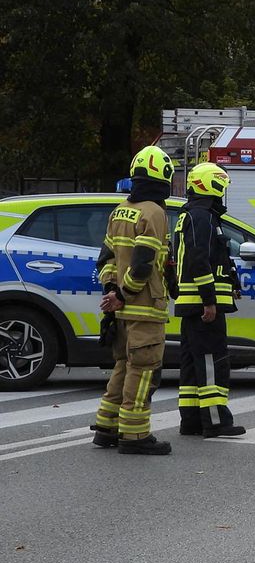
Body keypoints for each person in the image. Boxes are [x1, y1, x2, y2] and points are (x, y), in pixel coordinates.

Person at [90, 145, 174, 455]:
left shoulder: (120, 210)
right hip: (143, 308)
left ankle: (107, 427)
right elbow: (143, 263)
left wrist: (112, 293)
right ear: (162, 176)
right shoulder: (154, 212)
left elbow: (107, 259)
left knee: (123, 366)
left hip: (123, 310)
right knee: (144, 371)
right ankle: (135, 436)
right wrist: (124, 294)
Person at [173, 162, 246, 438]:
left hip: (191, 301)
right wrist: (209, 300)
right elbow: (198, 258)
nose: (222, 192)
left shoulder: (192, 215)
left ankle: (191, 420)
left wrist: (232, 282)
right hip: (201, 303)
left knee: (192, 364)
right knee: (212, 361)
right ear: (211, 185)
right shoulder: (202, 216)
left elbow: (212, 257)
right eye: (221, 186)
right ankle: (216, 421)